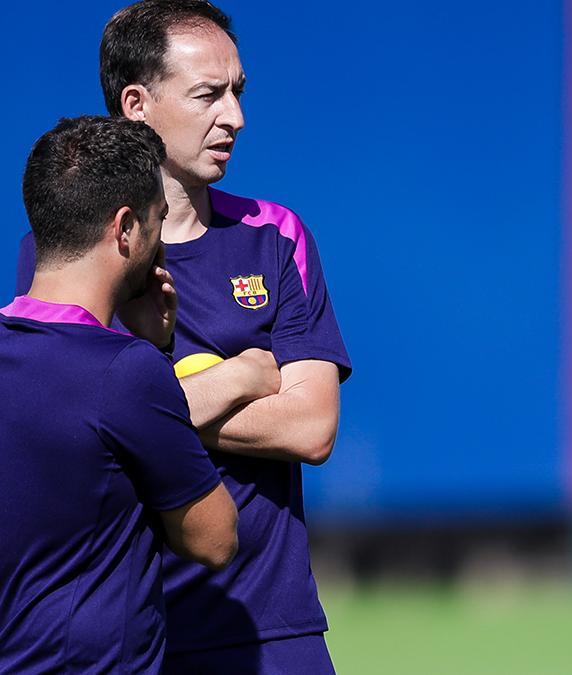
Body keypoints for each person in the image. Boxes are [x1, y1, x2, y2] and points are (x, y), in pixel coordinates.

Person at [15, 1, 351, 671]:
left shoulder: (276, 236)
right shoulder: (63, 249)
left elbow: (312, 426)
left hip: (271, 627)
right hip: (124, 636)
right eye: (209, 94)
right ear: (136, 103)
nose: (236, 117)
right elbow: (75, 419)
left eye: (238, 92)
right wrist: (240, 374)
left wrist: (149, 404)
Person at [0, 115, 238, 673]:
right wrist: (162, 355)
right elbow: (215, 539)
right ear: (126, 227)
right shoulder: (126, 371)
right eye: (159, 220)